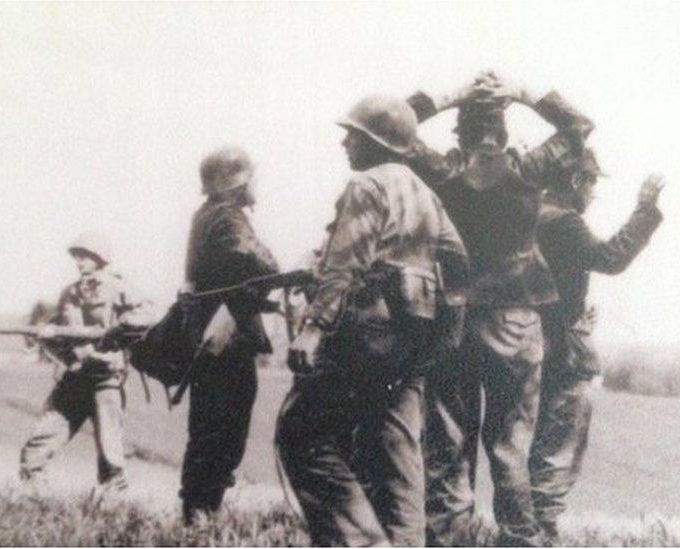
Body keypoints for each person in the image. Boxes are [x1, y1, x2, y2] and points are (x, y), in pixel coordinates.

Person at [405, 73, 595, 546]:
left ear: (461, 135)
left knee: (447, 443)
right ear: (504, 134)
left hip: (454, 317)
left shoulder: (445, 175)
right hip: (516, 318)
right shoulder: (529, 172)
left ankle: (448, 539)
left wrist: (449, 95)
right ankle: (519, 539)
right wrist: (523, 93)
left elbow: (395, 128)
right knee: (511, 446)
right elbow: (579, 126)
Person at [278, 95, 466, 546]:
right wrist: (444, 333)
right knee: (400, 454)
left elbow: (346, 263)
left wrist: (313, 328)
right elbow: (458, 262)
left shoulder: (367, 185)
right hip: (413, 341)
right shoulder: (426, 193)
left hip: (361, 334)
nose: (345, 142)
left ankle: (363, 542)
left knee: (301, 433)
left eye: (354, 134)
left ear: (376, 142)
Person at [529, 152, 664, 541]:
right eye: (591, 183)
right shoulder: (563, 220)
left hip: (528, 342)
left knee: (529, 443)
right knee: (557, 443)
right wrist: (645, 209)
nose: (592, 194)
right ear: (574, 181)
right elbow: (610, 258)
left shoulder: (527, 212)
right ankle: (541, 531)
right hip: (560, 349)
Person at [179, 146, 280, 522]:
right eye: (251, 178)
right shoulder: (228, 216)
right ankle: (200, 515)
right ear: (237, 182)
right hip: (225, 338)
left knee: (210, 429)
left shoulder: (206, 215)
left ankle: (200, 512)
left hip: (211, 337)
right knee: (223, 431)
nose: (256, 184)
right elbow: (260, 263)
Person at [19, 232, 151, 493]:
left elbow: (148, 312)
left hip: (106, 379)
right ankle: (35, 499)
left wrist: (118, 331)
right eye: (76, 256)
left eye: (85, 256)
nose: (79, 261)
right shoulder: (69, 293)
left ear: (99, 258)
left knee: (111, 457)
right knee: (38, 445)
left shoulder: (117, 287)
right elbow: (60, 329)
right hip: (75, 377)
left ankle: (111, 507)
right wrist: (46, 334)